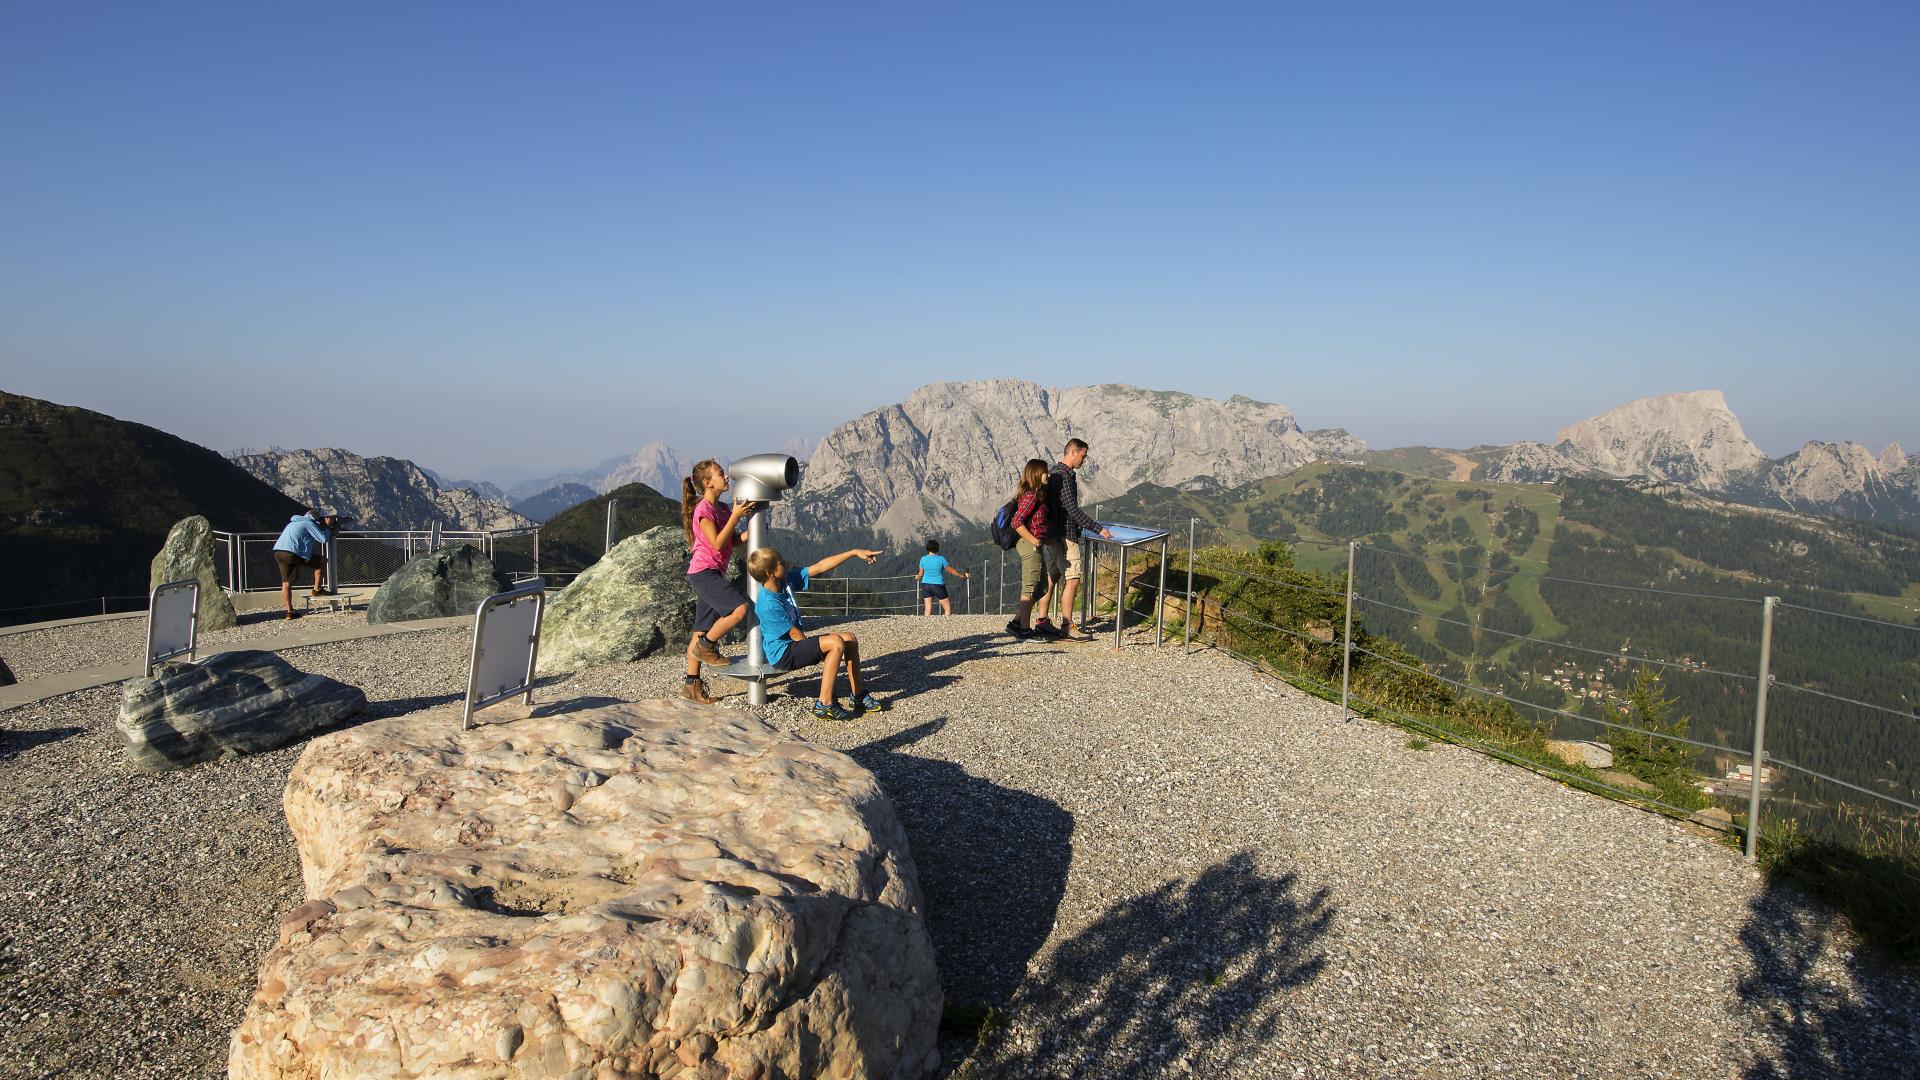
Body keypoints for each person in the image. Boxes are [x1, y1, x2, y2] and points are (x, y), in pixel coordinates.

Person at [746, 545, 886, 720]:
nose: (786, 564)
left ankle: (858, 696)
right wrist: (820, 651)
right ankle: (824, 704)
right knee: (836, 643)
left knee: (849, 638)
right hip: (783, 653)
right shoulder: (767, 604)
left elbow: (820, 567)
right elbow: (795, 635)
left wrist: (854, 552)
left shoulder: (785, 580)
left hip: (795, 644)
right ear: (770, 573)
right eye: (780, 563)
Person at [681, 460, 762, 705]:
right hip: (704, 573)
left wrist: (755, 530)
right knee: (740, 608)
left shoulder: (723, 509)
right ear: (708, 483)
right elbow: (716, 543)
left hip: (713, 573)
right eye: (720, 473)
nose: (726, 476)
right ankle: (707, 647)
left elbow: (731, 541)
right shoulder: (704, 511)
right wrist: (736, 515)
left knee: (700, 629)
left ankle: (692, 686)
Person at [1040, 438, 1113, 640]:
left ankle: (1042, 620)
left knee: (1052, 576)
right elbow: (1072, 510)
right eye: (1083, 455)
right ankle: (1067, 626)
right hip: (1066, 535)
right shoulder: (1064, 477)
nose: (1084, 460)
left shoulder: (1054, 472)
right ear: (1072, 452)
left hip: (1052, 535)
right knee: (1073, 579)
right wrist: (1098, 528)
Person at [1006, 458, 1059, 638]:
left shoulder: (1037, 494)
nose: (1048, 475)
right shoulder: (1032, 495)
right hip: (1029, 545)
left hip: (1034, 545)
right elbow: (1017, 521)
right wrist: (1035, 541)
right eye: (1045, 472)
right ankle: (1024, 629)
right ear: (1036, 473)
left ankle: (1016, 623)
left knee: (1041, 586)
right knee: (1030, 586)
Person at [272, 510, 339, 620]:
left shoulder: (294, 522)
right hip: (293, 553)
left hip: (279, 551)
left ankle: (290, 612)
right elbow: (323, 539)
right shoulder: (309, 523)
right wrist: (327, 527)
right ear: (315, 519)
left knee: (286, 583)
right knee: (322, 561)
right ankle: (317, 590)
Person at [915, 539, 971, 616]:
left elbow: (920, 574)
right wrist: (962, 575)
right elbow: (952, 571)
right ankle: (947, 622)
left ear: (927, 548)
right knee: (947, 607)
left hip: (925, 584)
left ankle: (926, 622)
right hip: (938, 584)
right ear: (937, 548)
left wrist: (917, 577)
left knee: (928, 608)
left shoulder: (923, 559)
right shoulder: (941, 559)